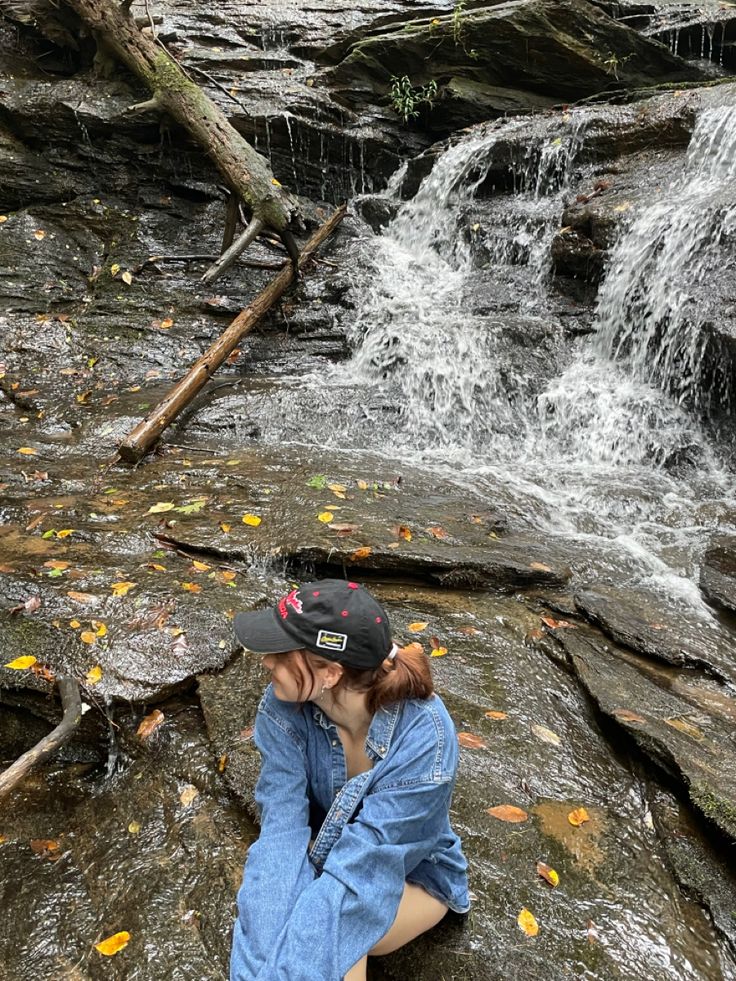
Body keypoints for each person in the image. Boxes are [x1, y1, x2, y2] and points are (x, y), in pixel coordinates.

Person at [230, 578, 470, 981]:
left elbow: (362, 876)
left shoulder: (425, 738)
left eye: (281, 653)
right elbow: (281, 832)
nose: (266, 662)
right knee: (283, 924)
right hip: (327, 851)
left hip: (411, 874)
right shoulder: (280, 708)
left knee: (339, 944)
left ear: (329, 673)